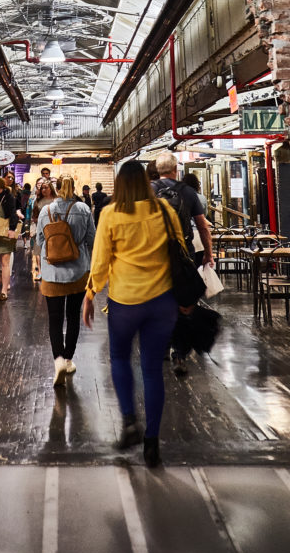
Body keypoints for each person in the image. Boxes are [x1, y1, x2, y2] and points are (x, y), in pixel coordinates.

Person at [82, 159, 188, 468]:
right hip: (162, 301)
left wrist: (90, 293)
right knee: (153, 370)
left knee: (119, 358)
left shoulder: (110, 214)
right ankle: (152, 442)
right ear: (145, 181)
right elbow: (180, 249)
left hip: (125, 302)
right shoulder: (165, 211)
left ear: (120, 184)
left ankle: (130, 421)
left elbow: (100, 261)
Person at [152, 151, 215, 378]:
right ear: (175, 169)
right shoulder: (187, 192)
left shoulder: (148, 191)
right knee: (184, 301)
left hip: (154, 255)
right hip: (183, 254)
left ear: (157, 170)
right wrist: (208, 253)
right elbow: (202, 226)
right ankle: (179, 352)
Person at [37, 175, 95, 386]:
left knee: (54, 318)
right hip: (78, 272)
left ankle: (58, 360)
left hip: (52, 273)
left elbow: (39, 240)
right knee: (72, 316)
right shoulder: (84, 209)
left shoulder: (46, 210)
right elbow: (91, 240)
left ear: (56, 188)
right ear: (73, 188)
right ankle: (69, 359)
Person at [30, 179, 55, 281]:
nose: (44, 190)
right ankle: (40, 271)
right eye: (42, 188)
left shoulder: (55, 200)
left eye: (46, 187)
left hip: (53, 228)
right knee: (38, 250)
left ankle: (51, 271)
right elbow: (34, 215)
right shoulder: (38, 201)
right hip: (40, 228)